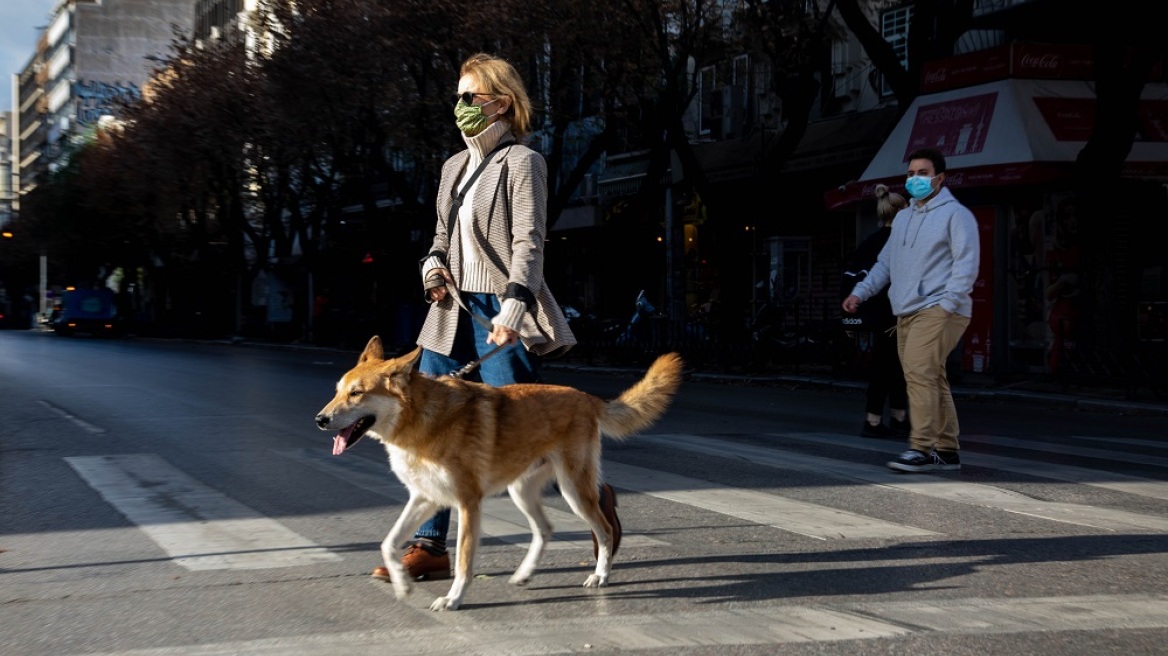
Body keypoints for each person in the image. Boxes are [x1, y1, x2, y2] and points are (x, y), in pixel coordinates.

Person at [380, 53, 619, 582]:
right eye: (457, 97)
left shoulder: (522, 162)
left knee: (521, 427)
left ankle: (594, 497)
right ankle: (430, 545)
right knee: (431, 421)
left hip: (499, 308)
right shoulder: (451, 168)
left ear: (501, 102)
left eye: (470, 97)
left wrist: (513, 308)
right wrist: (432, 271)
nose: (460, 107)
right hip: (449, 310)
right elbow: (440, 239)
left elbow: (528, 241)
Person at [842, 148, 979, 473]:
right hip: (906, 310)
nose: (915, 179)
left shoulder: (955, 215)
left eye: (923, 173)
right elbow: (885, 264)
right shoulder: (903, 218)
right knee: (931, 376)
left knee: (918, 372)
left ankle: (920, 447)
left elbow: (966, 264)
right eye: (911, 173)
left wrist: (948, 303)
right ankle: (946, 451)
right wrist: (859, 292)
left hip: (942, 308)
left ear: (940, 178)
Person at [843, 183, 909, 438]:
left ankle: (890, 417)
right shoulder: (900, 240)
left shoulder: (870, 241)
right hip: (895, 309)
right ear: (903, 210)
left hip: (876, 311)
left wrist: (857, 297)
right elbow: (883, 273)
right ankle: (882, 419)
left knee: (889, 364)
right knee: (894, 366)